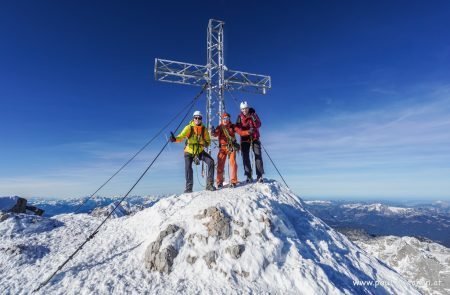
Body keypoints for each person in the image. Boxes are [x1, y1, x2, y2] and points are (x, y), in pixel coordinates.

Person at [170, 111, 216, 192]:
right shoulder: (189, 128)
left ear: (201, 119)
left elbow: (208, 142)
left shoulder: (204, 130)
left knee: (211, 162)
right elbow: (182, 136)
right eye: (196, 118)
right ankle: (189, 188)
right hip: (189, 151)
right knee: (188, 167)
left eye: (199, 118)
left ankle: (209, 184)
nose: (197, 119)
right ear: (193, 118)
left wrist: (202, 142)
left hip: (199, 151)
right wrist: (175, 139)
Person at [212, 112, 250, 188]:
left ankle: (233, 181)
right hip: (222, 148)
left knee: (233, 162)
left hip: (231, 147)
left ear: (229, 119)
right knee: (220, 164)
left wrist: (248, 132)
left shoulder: (233, 126)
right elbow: (215, 134)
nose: (226, 120)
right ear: (222, 119)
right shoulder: (219, 127)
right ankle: (219, 182)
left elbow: (241, 132)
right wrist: (213, 132)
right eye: (224, 119)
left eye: (227, 118)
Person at [235, 101, 264, 183]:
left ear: (248, 108)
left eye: (246, 108)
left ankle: (259, 175)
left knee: (258, 155)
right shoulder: (239, 117)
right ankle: (248, 175)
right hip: (245, 138)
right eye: (243, 109)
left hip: (254, 137)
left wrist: (254, 121)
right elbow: (237, 128)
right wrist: (246, 132)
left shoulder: (253, 115)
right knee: (245, 157)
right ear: (241, 109)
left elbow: (259, 124)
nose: (245, 110)